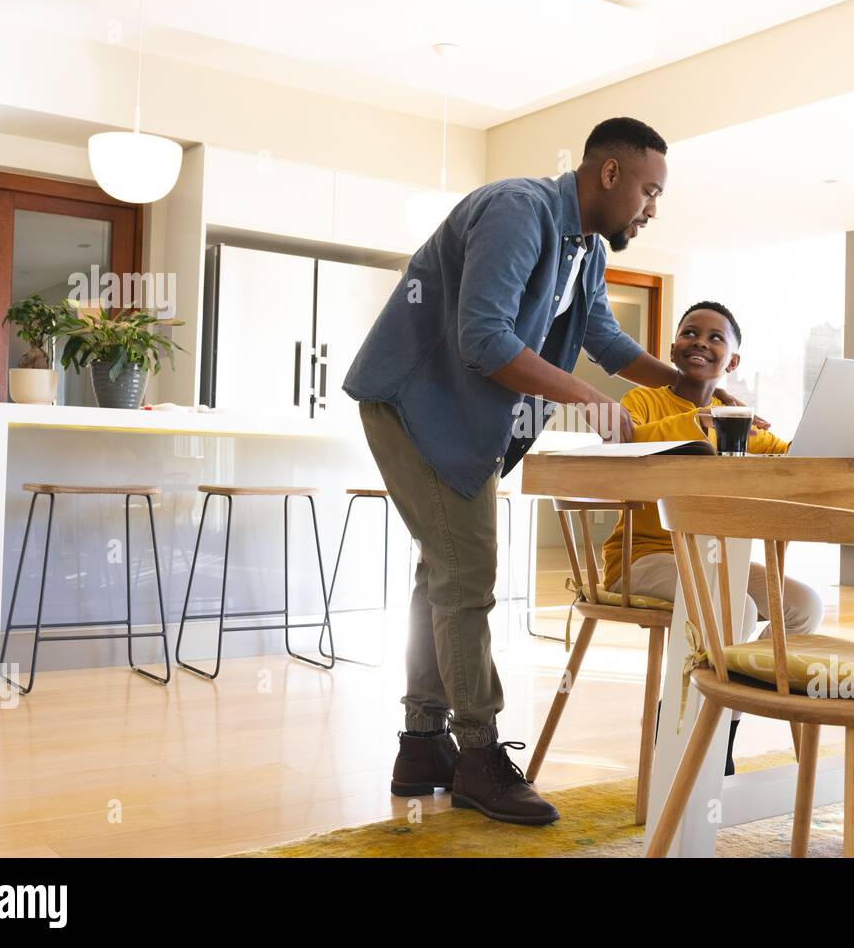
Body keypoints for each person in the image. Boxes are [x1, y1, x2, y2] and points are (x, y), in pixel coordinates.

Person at [343, 118, 754, 825]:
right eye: (649, 191)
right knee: (467, 569)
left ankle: (421, 744)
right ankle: (476, 755)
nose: (652, 208)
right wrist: (587, 397)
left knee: (442, 570)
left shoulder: (586, 249)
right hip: (413, 401)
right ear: (608, 174)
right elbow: (484, 338)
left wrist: (702, 391)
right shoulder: (519, 210)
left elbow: (606, 340)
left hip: (461, 417)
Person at [599, 299, 825, 774]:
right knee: (735, 607)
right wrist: (697, 423)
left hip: (717, 561)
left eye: (715, 337)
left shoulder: (738, 419)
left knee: (803, 605)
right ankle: (681, 724)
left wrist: (829, 444)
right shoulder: (645, 400)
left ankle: (720, 722)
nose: (700, 342)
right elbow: (625, 442)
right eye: (690, 333)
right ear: (674, 346)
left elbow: (792, 459)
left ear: (733, 361)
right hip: (643, 559)